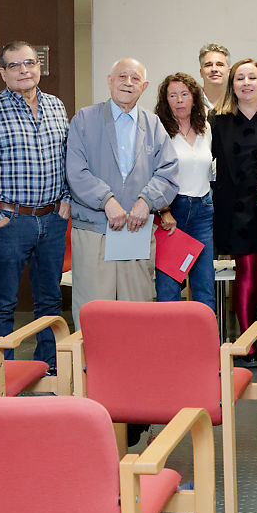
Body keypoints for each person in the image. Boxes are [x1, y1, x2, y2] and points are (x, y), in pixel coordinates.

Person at [0, 41, 70, 368]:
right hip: (10, 221)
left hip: (52, 220)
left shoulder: (56, 107)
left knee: (50, 301)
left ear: (39, 67)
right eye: (14, 65)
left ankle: (49, 367)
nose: (24, 70)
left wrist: (66, 198)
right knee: (2, 302)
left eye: (29, 63)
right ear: (3, 73)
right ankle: (1, 374)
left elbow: (68, 158)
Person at [65, 58, 179, 326]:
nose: (128, 83)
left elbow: (168, 171)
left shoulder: (153, 125)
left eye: (135, 78)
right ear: (110, 81)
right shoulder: (85, 119)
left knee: (136, 312)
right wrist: (106, 201)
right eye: (122, 76)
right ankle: (91, 356)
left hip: (136, 229)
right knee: (94, 312)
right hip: (94, 229)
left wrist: (146, 201)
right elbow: (76, 171)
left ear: (144, 86)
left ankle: (134, 355)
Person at [209, 59, 257, 366]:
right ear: (232, 85)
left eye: (252, 77)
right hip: (235, 210)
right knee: (246, 274)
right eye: (240, 78)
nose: (246, 83)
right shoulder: (217, 120)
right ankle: (246, 345)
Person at [151, 73, 215, 313]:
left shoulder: (205, 128)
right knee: (169, 286)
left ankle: (204, 336)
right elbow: (152, 173)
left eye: (184, 94)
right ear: (165, 100)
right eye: (173, 95)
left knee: (204, 284)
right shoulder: (159, 131)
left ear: (194, 98)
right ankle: (170, 337)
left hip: (203, 211)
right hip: (172, 211)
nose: (179, 100)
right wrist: (163, 210)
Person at [198, 43, 230, 110]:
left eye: (220, 64)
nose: (214, 69)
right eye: (208, 65)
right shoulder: (190, 102)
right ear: (201, 72)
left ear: (229, 71)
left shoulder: (240, 102)